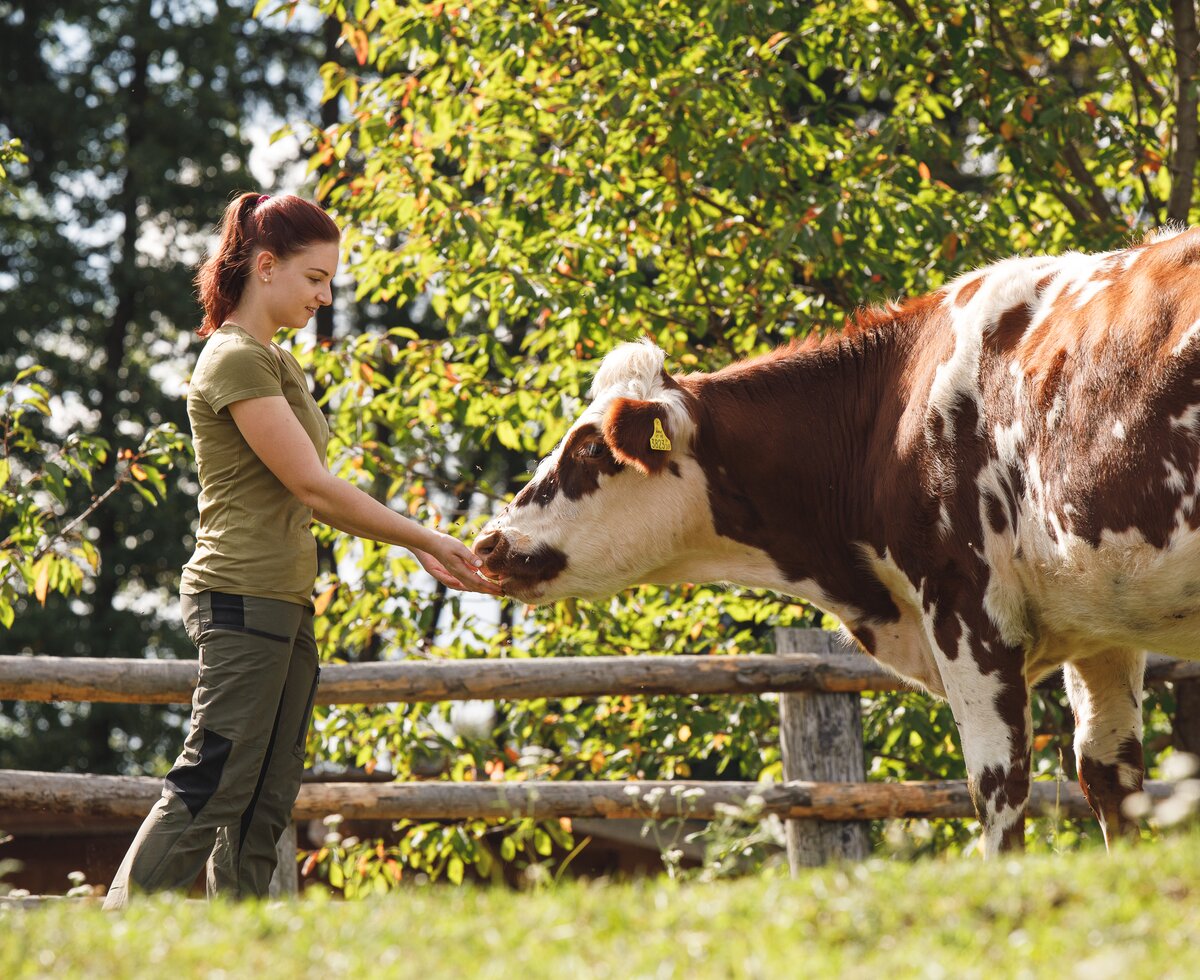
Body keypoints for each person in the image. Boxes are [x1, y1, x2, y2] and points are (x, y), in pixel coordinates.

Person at [103, 192, 500, 908]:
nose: (325, 294)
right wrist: (422, 538)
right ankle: (116, 932)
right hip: (240, 595)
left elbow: (308, 491)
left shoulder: (272, 358)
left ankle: (245, 944)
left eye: (329, 281)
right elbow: (313, 487)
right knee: (215, 778)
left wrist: (412, 542)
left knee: (265, 796)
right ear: (265, 267)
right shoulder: (233, 358)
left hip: (282, 598)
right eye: (315, 277)